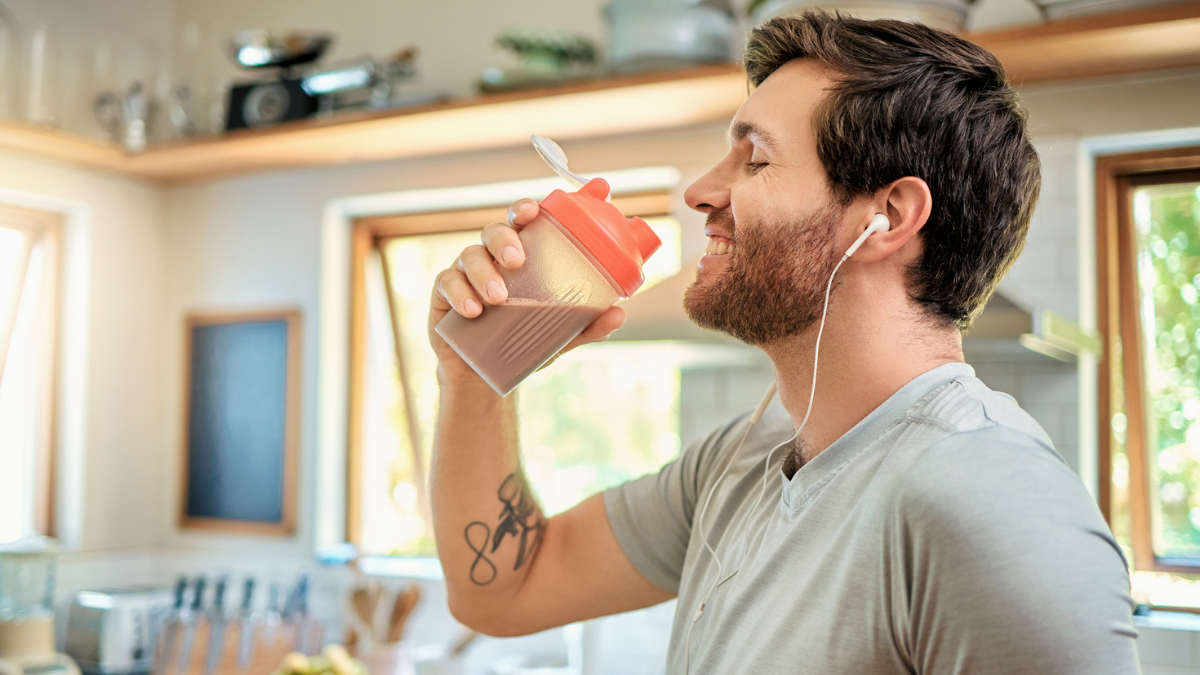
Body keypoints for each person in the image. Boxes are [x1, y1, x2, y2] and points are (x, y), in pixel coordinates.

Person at [426, 11, 1139, 674]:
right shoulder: (740, 464)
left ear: (889, 217)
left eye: (755, 159)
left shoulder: (994, 501)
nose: (700, 192)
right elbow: (505, 590)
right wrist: (474, 375)